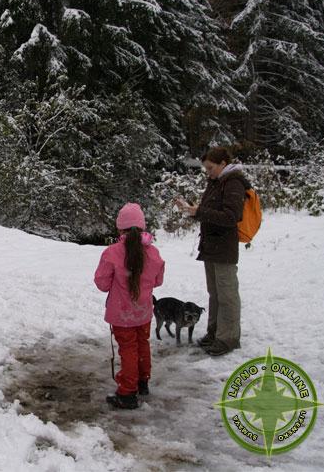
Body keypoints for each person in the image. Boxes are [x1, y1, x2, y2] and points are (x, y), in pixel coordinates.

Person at [175, 146, 250, 356]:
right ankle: (214, 333)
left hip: (224, 248)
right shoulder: (216, 182)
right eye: (206, 168)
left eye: (210, 168)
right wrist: (193, 210)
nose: (207, 172)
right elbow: (211, 211)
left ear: (223, 165)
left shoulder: (233, 183)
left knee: (227, 295)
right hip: (211, 246)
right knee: (215, 294)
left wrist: (199, 211)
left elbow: (231, 216)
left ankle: (228, 339)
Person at [94, 203, 165, 409]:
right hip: (144, 312)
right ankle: (143, 382)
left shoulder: (112, 253)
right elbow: (158, 281)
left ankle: (127, 393)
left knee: (128, 349)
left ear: (120, 228)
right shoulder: (154, 253)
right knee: (142, 344)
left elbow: (102, 283)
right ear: (142, 228)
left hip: (121, 314)